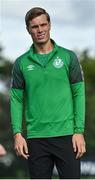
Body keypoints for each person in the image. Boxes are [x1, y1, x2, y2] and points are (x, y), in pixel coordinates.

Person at [10, 7, 86, 179]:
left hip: (67, 136)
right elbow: (16, 99)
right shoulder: (21, 63)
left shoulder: (69, 57)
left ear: (50, 25)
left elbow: (79, 94)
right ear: (28, 29)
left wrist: (79, 131)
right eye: (35, 26)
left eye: (43, 25)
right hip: (36, 138)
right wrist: (17, 134)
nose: (40, 30)